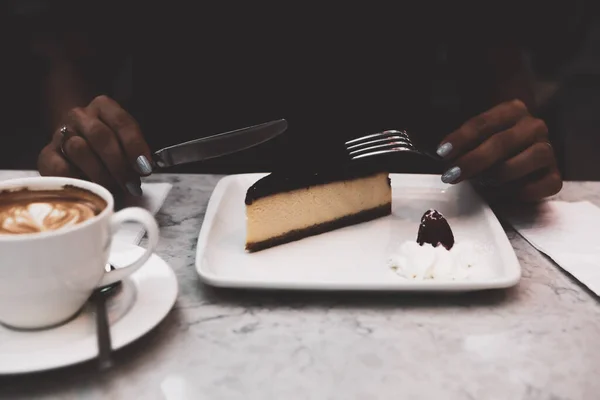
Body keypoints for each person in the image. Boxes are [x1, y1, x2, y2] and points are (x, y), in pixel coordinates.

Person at [29, 2, 583, 202]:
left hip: (402, 194)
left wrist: (509, 149)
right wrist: (81, 146)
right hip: (175, 201)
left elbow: (497, 60)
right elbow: (71, 51)